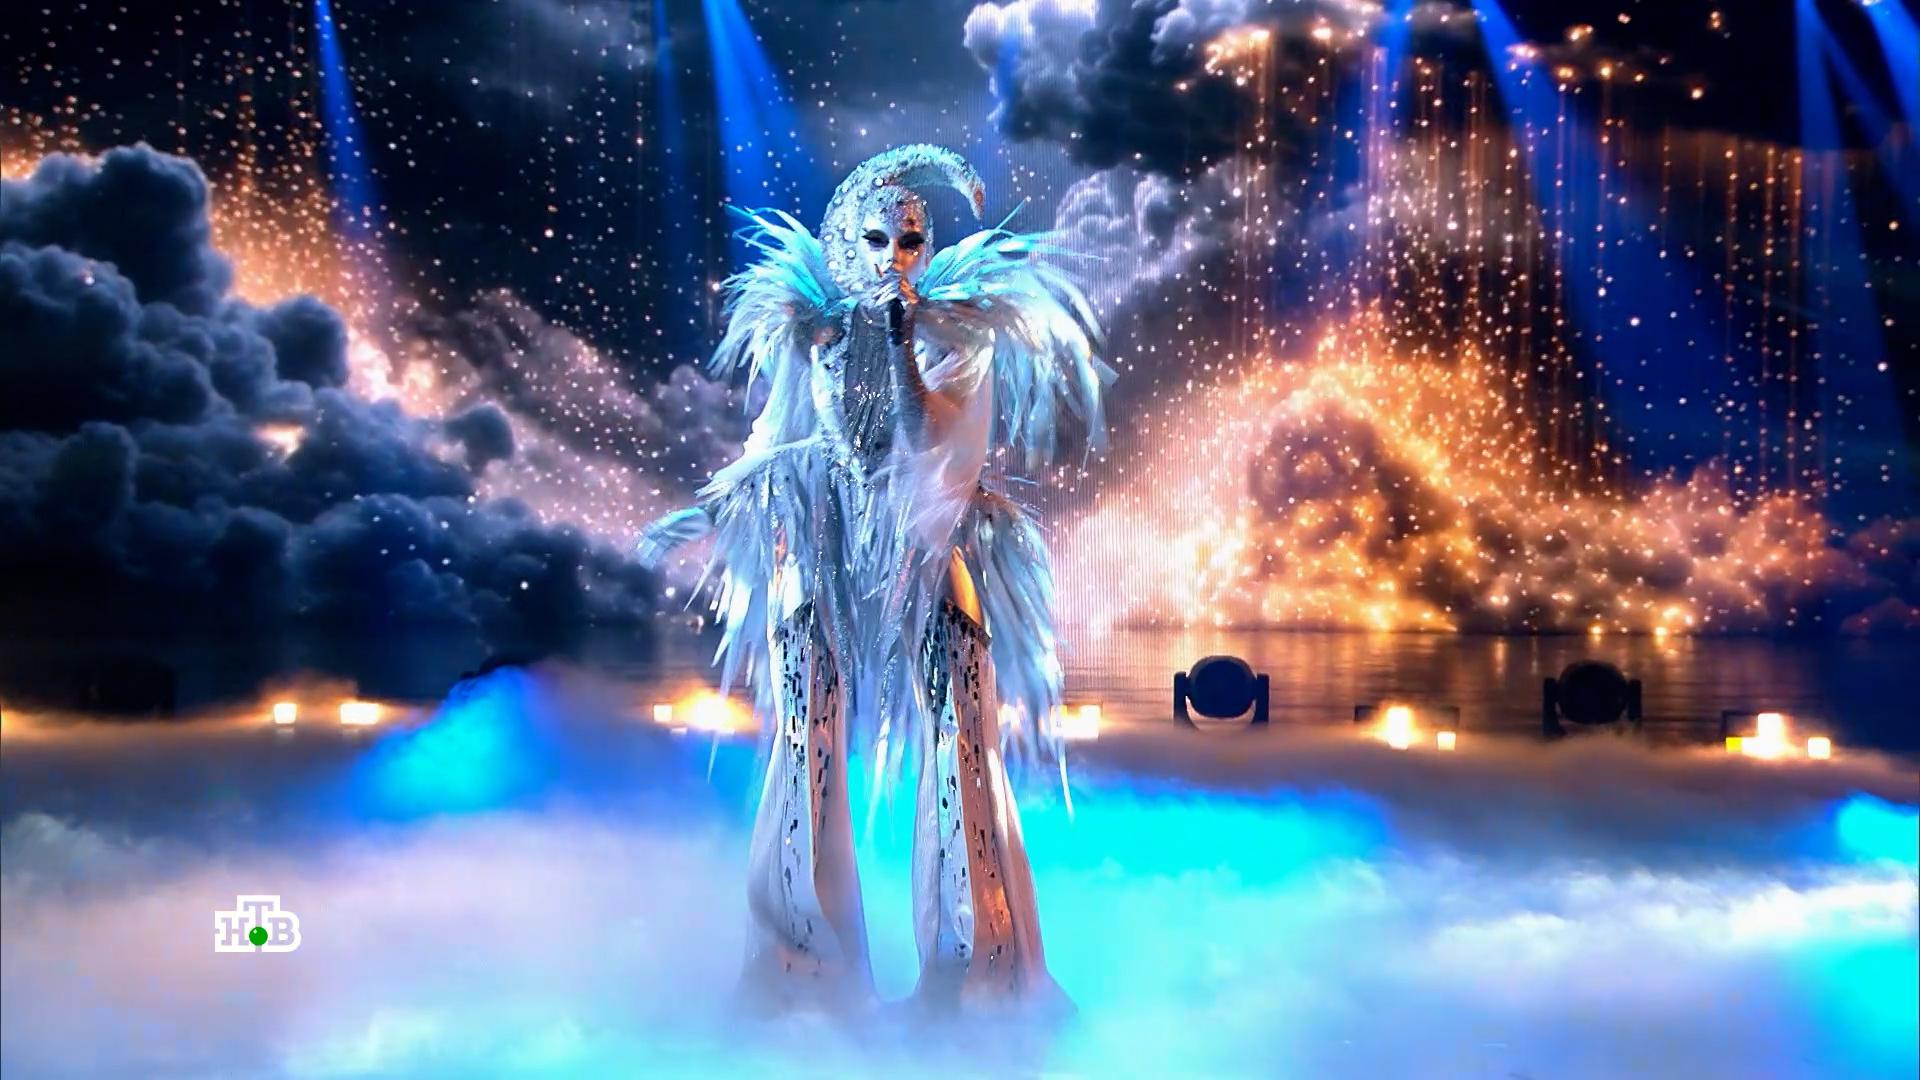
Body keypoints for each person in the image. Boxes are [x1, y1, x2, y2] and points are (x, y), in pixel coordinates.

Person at [639, 144, 1111, 1016]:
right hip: (819, 537)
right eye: (878, 239)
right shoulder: (810, 329)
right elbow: (776, 436)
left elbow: (934, 446)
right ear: (845, 242)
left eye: (911, 240)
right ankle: (798, 970)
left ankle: (980, 976)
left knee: (961, 740)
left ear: (927, 246)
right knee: (804, 739)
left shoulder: (960, 333)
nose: (895, 256)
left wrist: (899, 339)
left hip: (926, 546)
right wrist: (706, 512)